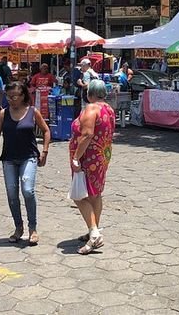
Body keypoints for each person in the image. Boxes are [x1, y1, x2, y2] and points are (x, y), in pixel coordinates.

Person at [0, 82, 50, 246]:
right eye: (8, 96)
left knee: (28, 190)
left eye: (14, 96)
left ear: (23, 95)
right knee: (11, 194)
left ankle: (33, 228)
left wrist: (44, 151)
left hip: (29, 156)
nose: (10, 100)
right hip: (9, 158)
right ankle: (19, 227)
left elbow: (46, 130)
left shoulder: (32, 112)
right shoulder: (3, 114)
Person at [70, 79, 115, 255]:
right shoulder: (109, 109)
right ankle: (92, 230)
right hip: (102, 155)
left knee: (79, 195)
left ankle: (94, 233)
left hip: (88, 157)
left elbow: (87, 134)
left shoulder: (91, 108)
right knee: (95, 194)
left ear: (90, 94)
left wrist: (76, 157)